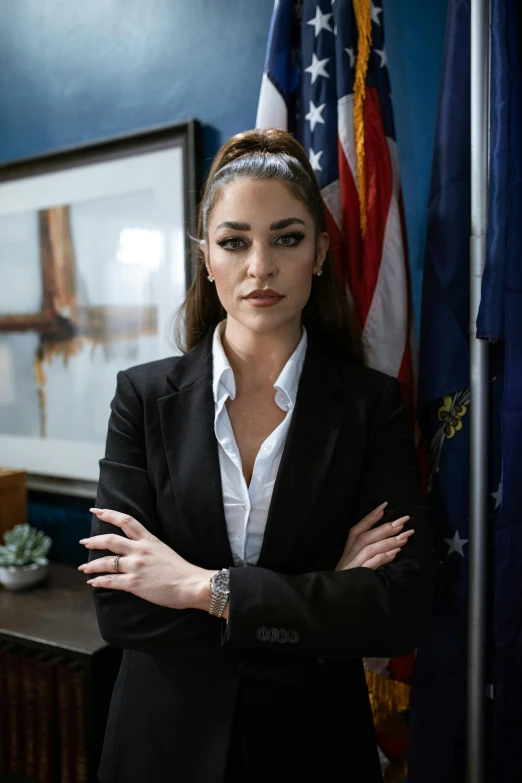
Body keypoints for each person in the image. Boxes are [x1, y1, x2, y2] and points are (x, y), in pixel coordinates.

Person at [79, 128, 436, 783]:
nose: (259, 266)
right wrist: (322, 591)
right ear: (205, 256)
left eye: (288, 238)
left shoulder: (370, 407)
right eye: (235, 240)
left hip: (313, 748)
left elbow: (397, 610)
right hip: (160, 747)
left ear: (321, 253)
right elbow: (121, 606)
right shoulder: (142, 397)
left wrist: (199, 588)